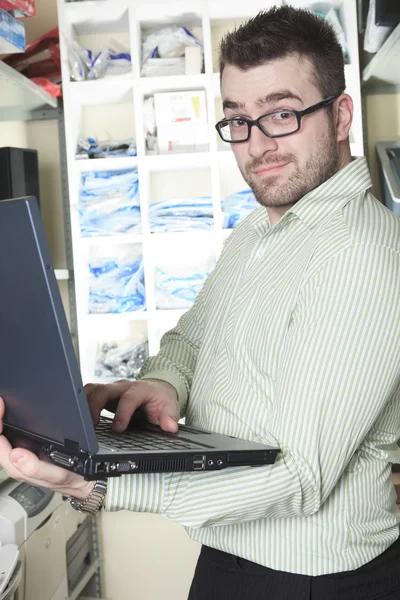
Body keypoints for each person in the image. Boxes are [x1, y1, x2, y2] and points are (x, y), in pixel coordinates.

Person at [1, 5, 400, 599]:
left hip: (313, 577)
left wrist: (100, 481)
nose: (257, 145)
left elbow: (300, 476)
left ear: (340, 115)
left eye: (282, 114)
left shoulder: (361, 252)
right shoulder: (258, 232)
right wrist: (162, 384)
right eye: (238, 120)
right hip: (235, 552)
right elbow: (191, 338)